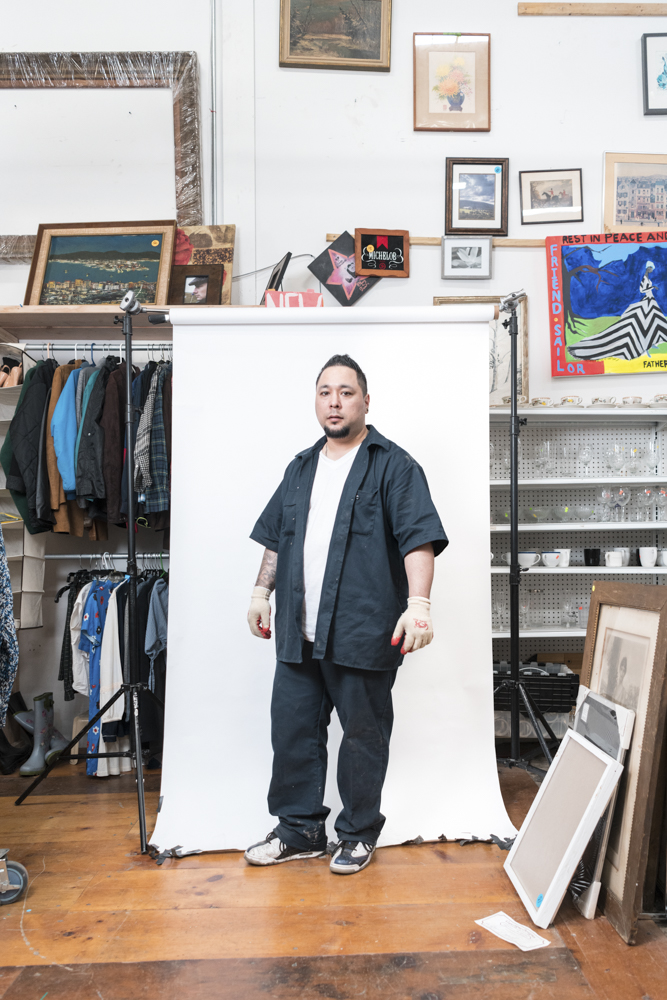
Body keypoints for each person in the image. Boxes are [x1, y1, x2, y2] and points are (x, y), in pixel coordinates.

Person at [244, 354, 447, 875]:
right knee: (293, 733)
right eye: (325, 392)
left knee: (362, 738)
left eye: (346, 392)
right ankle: (300, 831)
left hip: (361, 628)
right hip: (298, 632)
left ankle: (357, 834)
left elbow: (418, 539)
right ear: (316, 401)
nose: (334, 402)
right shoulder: (300, 468)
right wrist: (261, 592)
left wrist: (419, 605)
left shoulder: (394, 466)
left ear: (365, 401)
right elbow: (277, 537)